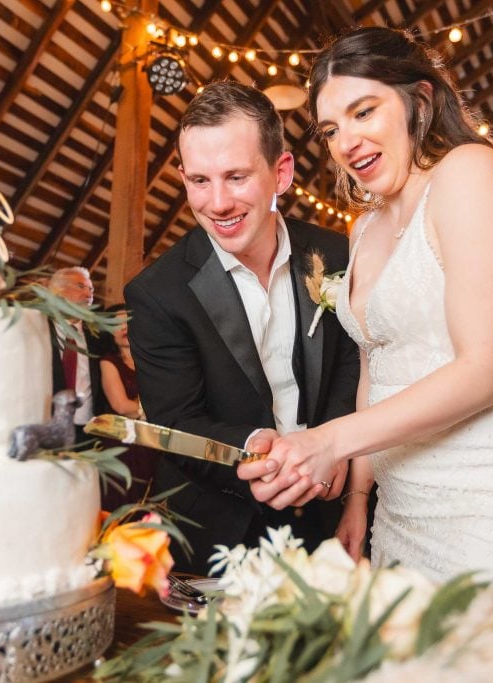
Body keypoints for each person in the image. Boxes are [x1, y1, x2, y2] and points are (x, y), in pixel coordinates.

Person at [237, 27, 493, 624]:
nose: (347, 141)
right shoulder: (364, 226)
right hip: (404, 503)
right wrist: (359, 501)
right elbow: (377, 364)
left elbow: (487, 371)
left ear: (418, 100)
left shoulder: (468, 172)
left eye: (363, 111)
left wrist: (330, 440)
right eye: (331, 130)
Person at [124, 80, 360, 573]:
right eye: (199, 181)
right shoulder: (157, 292)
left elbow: (351, 364)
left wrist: (336, 444)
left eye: (236, 177)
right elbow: (175, 421)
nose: (217, 203)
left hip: (330, 517)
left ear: (282, 172)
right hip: (216, 532)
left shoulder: (337, 254)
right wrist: (253, 447)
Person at [97, 304, 157, 509]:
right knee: (120, 503)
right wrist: (152, 411)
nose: (123, 328)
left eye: (128, 323)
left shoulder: (155, 362)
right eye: (117, 324)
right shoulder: (109, 362)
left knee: (151, 504)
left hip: (154, 444)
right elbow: (121, 406)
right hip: (122, 444)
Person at [47, 267, 109, 442]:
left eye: (91, 289)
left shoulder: (99, 336)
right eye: (81, 286)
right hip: (47, 424)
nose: (89, 293)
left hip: (89, 429)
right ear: (58, 291)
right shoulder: (39, 328)